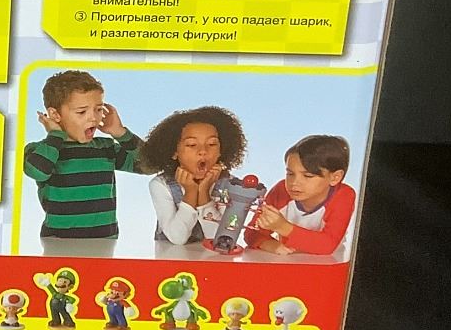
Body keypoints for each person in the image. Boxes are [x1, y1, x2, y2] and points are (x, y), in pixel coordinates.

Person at [22, 70, 139, 251]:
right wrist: (55, 135)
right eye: (82, 111)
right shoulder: (41, 150)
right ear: (55, 115)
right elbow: (38, 171)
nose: (93, 117)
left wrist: (120, 132)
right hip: (58, 243)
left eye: (98, 109)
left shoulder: (106, 148)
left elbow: (148, 165)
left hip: (104, 242)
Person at [138, 106, 247, 247]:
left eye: (212, 144)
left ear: (221, 150)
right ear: (174, 152)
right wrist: (191, 193)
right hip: (172, 259)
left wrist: (204, 195)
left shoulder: (232, 187)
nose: (203, 151)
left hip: (214, 260)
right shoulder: (161, 185)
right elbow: (177, 238)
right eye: (192, 144)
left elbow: (219, 240)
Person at [245, 136, 355, 258]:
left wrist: (283, 227)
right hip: (288, 261)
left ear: (335, 177)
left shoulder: (343, 196)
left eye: (308, 176)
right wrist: (269, 244)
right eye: (290, 174)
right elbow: (252, 232)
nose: (294, 183)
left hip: (329, 263)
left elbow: (327, 244)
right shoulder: (281, 190)